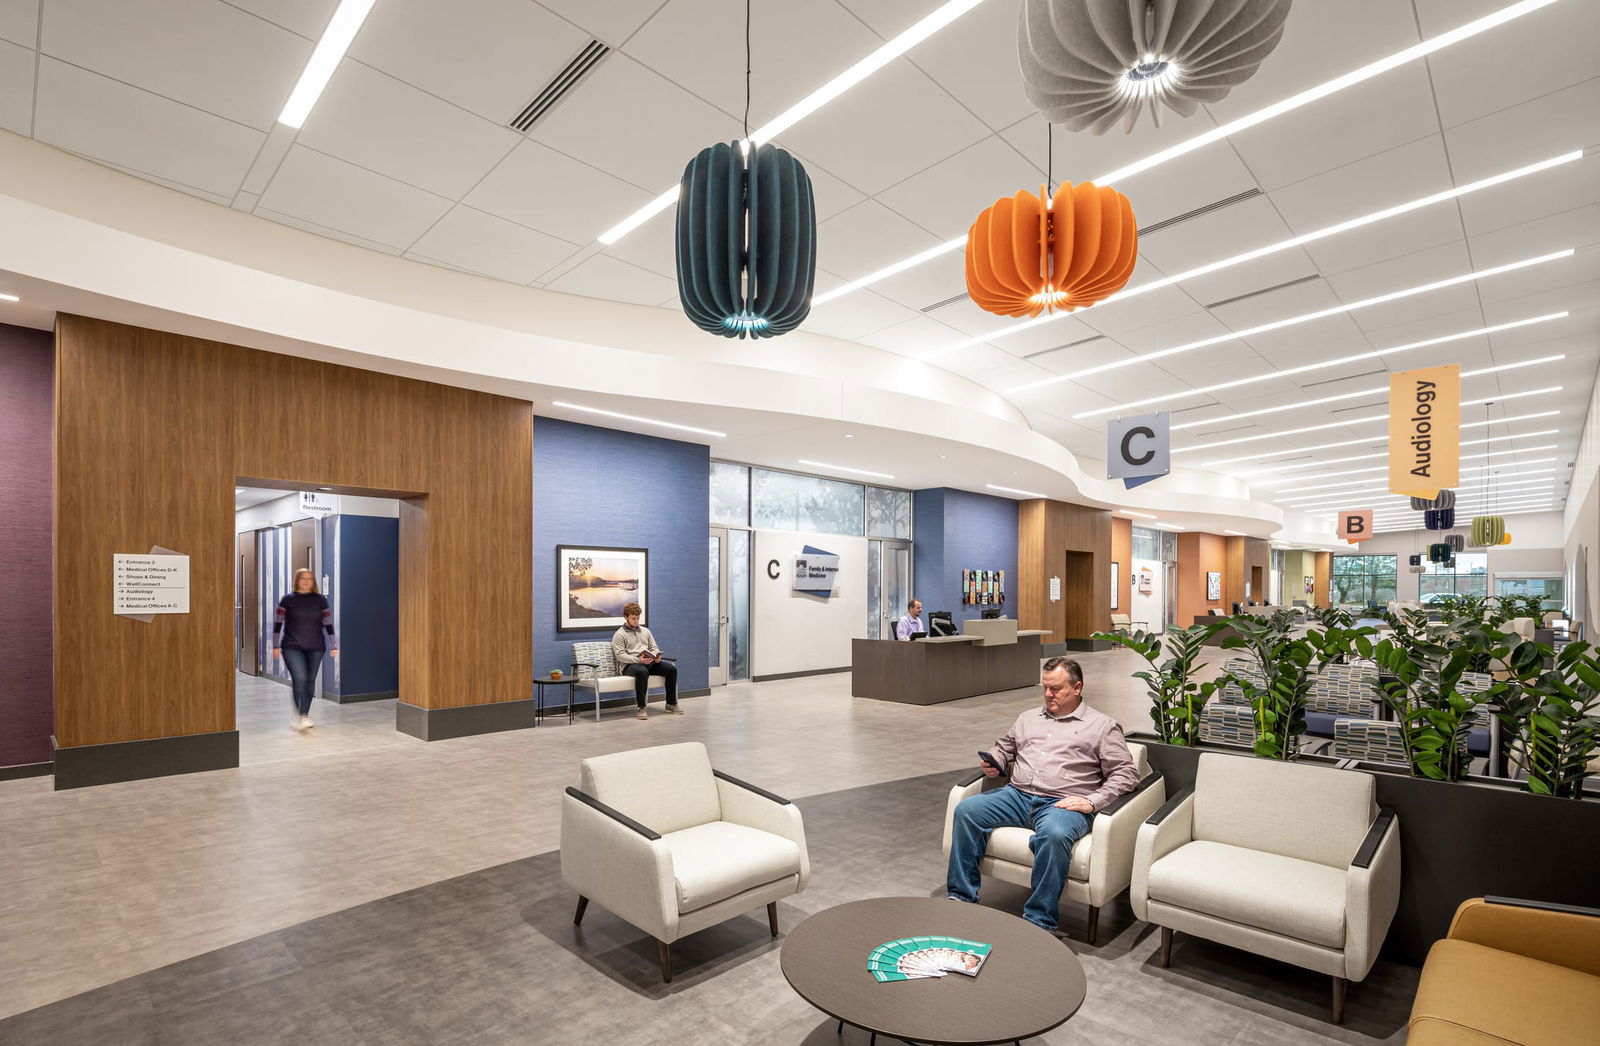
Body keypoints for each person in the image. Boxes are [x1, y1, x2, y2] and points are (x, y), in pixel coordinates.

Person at [947, 657, 1138, 933]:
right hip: (1017, 795)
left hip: (1062, 804)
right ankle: (961, 898)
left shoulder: (1102, 727)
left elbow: (1126, 774)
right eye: (1045, 688)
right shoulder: (1028, 718)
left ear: (1077, 688)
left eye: (1056, 689)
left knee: (1055, 835)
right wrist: (996, 760)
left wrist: (1091, 801)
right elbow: (1005, 746)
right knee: (966, 811)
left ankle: (1039, 921)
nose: (1048, 694)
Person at [272, 568, 337, 731]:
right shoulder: (287, 600)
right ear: (297, 580)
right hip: (291, 646)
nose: (306, 581)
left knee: (309, 680)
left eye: (310, 578)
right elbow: (278, 624)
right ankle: (301, 713)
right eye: (303, 578)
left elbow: (328, 624)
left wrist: (333, 644)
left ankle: (304, 714)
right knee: (300, 678)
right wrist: (275, 645)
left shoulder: (320, 600)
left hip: (316, 646)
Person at [612, 602, 680, 720]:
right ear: (626, 617)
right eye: (633, 618)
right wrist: (638, 659)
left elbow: (653, 647)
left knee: (671, 669)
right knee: (642, 671)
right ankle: (641, 707)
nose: (636, 621)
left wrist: (656, 656)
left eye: (638, 618)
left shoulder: (646, 631)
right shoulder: (619, 634)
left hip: (648, 661)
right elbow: (620, 656)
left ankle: (671, 703)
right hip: (629, 665)